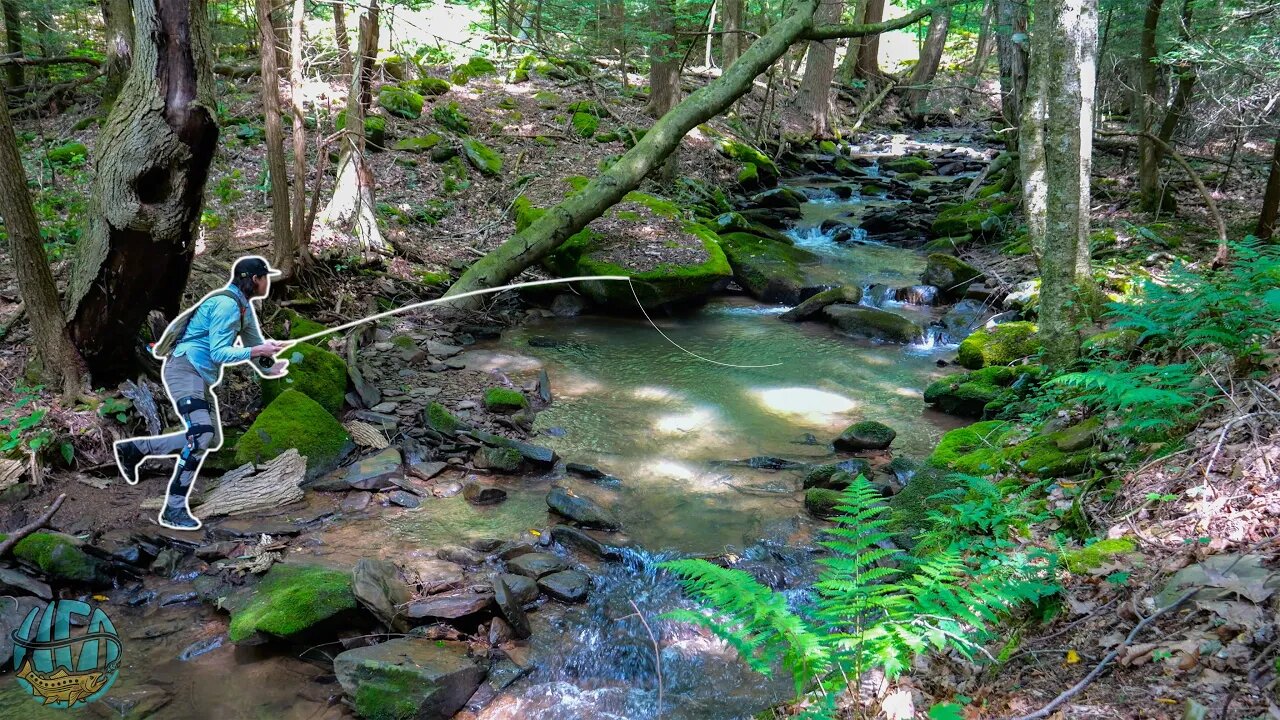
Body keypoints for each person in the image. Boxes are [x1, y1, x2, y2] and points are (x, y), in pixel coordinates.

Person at [113, 256, 291, 530]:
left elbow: (255, 345)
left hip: (196, 374)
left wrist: (269, 365)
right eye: (266, 277)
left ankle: (136, 449)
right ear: (255, 280)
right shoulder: (226, 305)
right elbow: (221, 352)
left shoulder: (243, 308)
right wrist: (258, 351)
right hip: (184, 369)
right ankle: (173, 508)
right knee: (202, 436)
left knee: (210, 437)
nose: (268, 281)